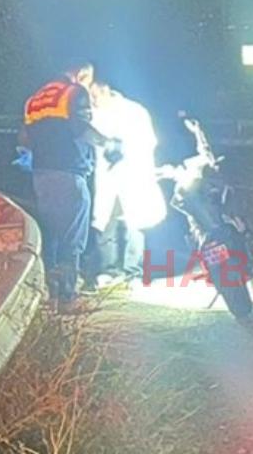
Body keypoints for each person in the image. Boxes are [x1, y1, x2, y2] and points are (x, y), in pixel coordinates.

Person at [22, 62, 118, 313]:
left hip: (41, 174)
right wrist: (108, 144)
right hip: (69, 174)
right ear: (82, 74)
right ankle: (69, 298)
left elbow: (24, 138)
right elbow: (82, 129)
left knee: (51, 237)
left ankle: (49, 297)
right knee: (72, 239)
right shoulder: (74, 92)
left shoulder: (35, 99)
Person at [87, 81, 167, 284]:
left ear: (105, 91)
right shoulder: (94, 114)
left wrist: (124, 154)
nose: (92, 101)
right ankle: (109, 268)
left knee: (135, 222)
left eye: (94, 97)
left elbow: (148, 142)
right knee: (106, 220)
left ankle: (132, 269)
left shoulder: (134, 111)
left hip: (133, 172)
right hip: (107, 175)